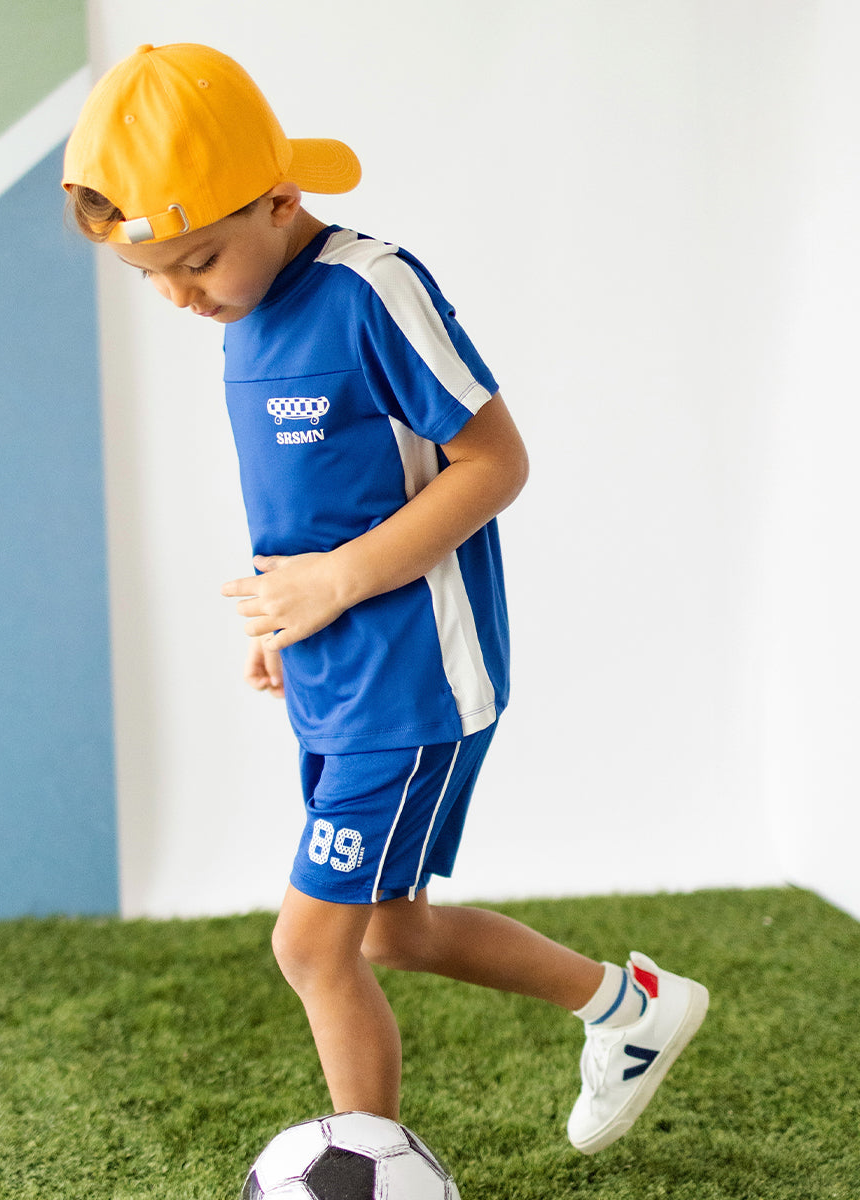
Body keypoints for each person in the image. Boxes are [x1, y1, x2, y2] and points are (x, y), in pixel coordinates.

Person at [62, 42, 708, 1154]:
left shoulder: (372, 288)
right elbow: (313, 503)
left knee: (310, 946)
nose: (179, 296)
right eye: (151, 275)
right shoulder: (242, 309)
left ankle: (369, 1165)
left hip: (411, 680)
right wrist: (287, 615)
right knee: (388, 935)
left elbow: (494, 464)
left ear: (279, 201)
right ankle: (629, 1006)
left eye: (199, 260)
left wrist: (338, 586)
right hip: (337, 671)